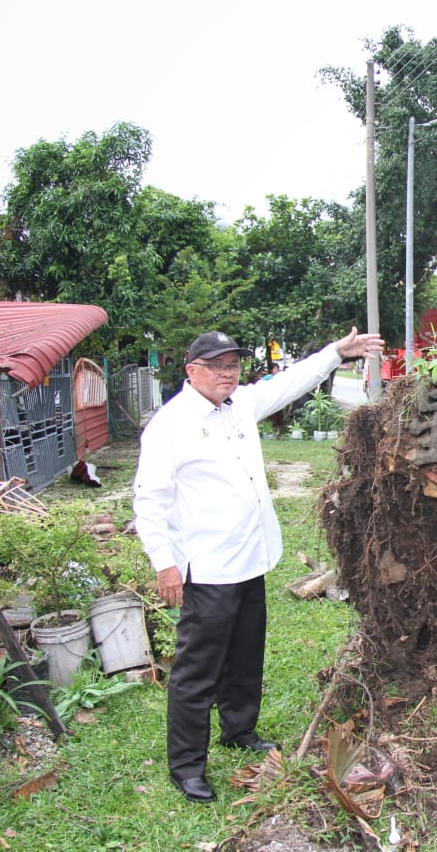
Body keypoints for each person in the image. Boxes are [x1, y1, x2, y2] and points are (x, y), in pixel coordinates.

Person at [133, 327, 384, 803]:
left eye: (232, 366)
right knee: (197, 670)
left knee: (246, 654)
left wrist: (336, 352)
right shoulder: (170, 424)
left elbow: (289, 382)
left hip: (250, 558)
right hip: (208, 567)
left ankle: (239, 730)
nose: (227, 374)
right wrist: (164, 564)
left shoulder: (240, 405)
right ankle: (187, 766)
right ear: (192, 371)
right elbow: (149, 499)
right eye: (216, 367)